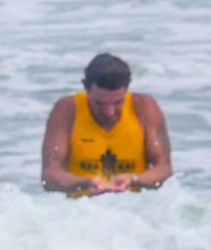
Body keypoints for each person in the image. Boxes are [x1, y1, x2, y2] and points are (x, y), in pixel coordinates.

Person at [41, 53, 172, 194]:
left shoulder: (144, 107)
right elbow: (49, 176)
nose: (109, 112)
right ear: (86, 87)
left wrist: (133, 179)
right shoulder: (67, 109)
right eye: (99, 103)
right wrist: (86, 182)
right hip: (81, 208)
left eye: (118, 103)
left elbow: (164, 169)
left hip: (134, 209)